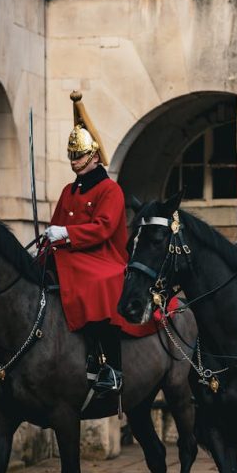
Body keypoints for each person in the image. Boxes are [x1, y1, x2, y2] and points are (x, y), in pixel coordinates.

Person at [45, 90, 157, 407]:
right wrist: (50, 237)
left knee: (98, 284)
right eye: (71, 158)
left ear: (94, 156)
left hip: (102, 257)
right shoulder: (70, 189)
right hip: (69, 254)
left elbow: (103, 228)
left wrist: (65, 234)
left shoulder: (111, 190)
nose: (74, 163)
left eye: (78, 157)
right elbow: (58, 223)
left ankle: (112, 368)